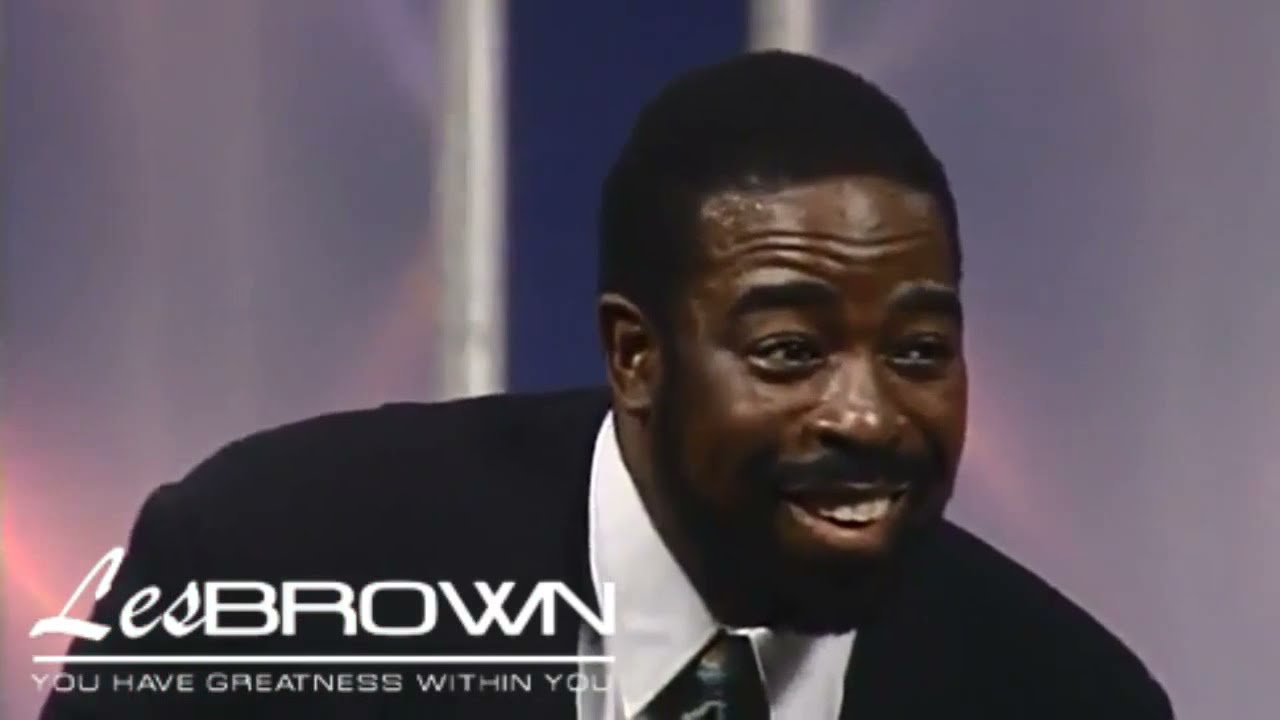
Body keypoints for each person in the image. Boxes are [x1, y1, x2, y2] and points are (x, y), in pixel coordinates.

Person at [40, 51, 1172, 720]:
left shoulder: (1066, 698)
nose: (867, 414)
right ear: (635, 356)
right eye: (790, 352)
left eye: (919, 351)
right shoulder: (272, 573)